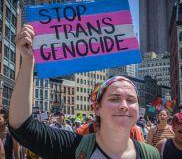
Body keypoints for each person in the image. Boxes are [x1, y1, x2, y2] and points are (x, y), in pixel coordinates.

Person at [8, 24, 161, 159]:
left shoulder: (151, 154)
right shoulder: (73, 147)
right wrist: (28, 61)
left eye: (131, 100)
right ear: (97, 108)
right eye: (114, 98)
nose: (124, 105)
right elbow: (22, 127)